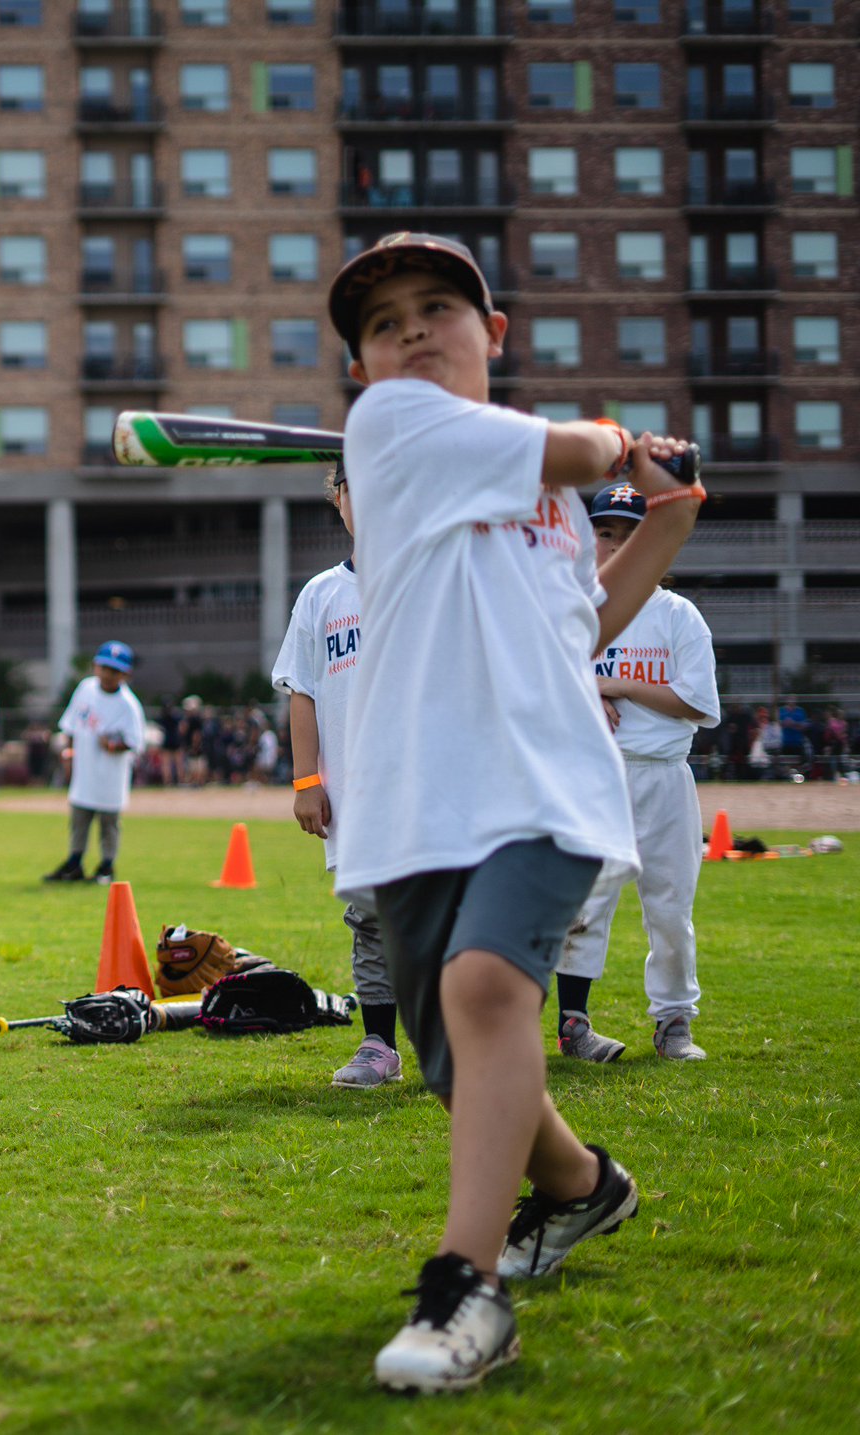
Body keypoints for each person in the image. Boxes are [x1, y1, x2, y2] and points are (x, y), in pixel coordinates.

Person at [324, 232, 701, 1392]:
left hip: (541, 782)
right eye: (383, 326)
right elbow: (579, 447)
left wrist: (664, 513)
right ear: (361, 369)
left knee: (484, 991)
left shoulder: (528, 494)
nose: (411, 334)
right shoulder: (392, 427)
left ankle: (464, 1289)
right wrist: (615, 446)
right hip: (414, 792)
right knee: (457, 1059)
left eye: (438, 308)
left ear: (490, 334)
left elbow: (573, 623)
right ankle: (583, 1187)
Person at [555, 485, 720, 1063]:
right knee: (584, 903)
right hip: (592, 776)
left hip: (664, 774)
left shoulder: (677, 614)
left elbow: (697, 702)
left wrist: (616, 684)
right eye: (606, 532)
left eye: (632, 534)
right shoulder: (571, 609)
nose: (618, 544)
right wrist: (582, 692)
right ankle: (573, 1024)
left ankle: (674, 1020)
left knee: (671, 907)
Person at [273, 465, 400, 1089]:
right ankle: (379, 1043)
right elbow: (304, 692)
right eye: (353, 488)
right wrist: (306, 782)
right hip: (352, 792)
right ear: (339, 501)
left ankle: (465, 1043)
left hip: (424, 791)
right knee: (371, 918)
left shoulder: (426, 583)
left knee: (442, 914)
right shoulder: (321, 595)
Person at [45, 642, 145, 886]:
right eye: (104, 668)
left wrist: (113, 746)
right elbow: (70, 725)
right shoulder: (86, 689)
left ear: (125, 674)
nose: (108, 675)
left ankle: (107, 866)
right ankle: (74, 862)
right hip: (84, 769)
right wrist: (68, 753)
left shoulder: (128, 705)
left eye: (114, 670)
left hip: (110, 774)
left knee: (109, 823)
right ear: (95, 667)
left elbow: (135, 742)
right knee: (79, 818)